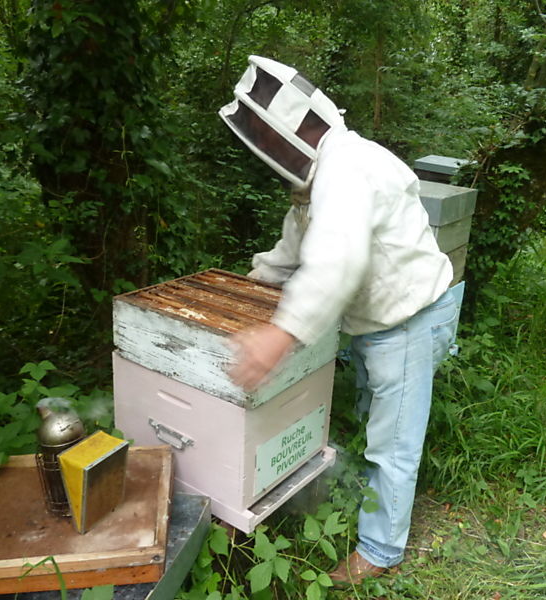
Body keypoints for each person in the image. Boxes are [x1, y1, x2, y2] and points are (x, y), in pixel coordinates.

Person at [218, 55, 459, 585]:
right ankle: (368, 494)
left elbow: (336, 261)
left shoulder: (346, 169)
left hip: (409, 319)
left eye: (265, 134)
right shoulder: (320, 177)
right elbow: (294, 249)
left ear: (288, 129)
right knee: (374, 409)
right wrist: (246, 283)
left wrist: (280, 333)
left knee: (393, 439)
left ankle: (380, 549)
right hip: (378, 321)